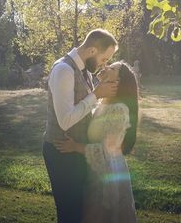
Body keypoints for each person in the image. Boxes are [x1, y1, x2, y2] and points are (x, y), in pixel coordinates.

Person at [43, 29, 119, 223]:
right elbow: (65, 120)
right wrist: (96, 94)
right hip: (61, 152)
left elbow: (83, 108)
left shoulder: (84, 70)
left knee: (80, 212)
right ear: (92, 50)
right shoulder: (63, 70)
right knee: (70, 214)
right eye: (104, 59)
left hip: (75, 151)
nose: (104, 64)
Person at [54, 60, 139, 223]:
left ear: (118, 82)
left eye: (112, 68)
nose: (106, 66)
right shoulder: (103, 102)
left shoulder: (118, 110)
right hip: (97, 172)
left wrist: (75, 147)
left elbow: (107, 152)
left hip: (107, 177)